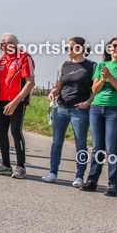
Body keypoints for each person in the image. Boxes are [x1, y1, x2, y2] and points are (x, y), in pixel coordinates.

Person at [82, 37, 117, 196]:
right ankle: (92, 181)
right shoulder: (101, 66)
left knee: (112, 149)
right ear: (108, 49)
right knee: (97, 147)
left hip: (116, 110)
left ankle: (114, 185)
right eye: (113, 46)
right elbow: (95, 90)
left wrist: (110, 77)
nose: (116, 48)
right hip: (97, 108)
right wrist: (103, 79)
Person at [43, 38, 94, 186]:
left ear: (82, 48)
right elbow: (58, 86)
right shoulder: (63, 65)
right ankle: (53, 173)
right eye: (67, 48)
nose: (68, 50)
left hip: (80, 110)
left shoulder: (92, 66)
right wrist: (53, 93)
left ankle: (79, 176)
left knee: (81, 144)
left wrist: (88, 102)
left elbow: (96, 89)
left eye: (71, 47)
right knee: (57, 142)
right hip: (61, 108)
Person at [0, 33, 35, 179]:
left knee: (15, 131)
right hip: (2, 101)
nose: (0, 47)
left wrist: (15, 102)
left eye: (2, 44)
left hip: (17, 102)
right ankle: (6, 165)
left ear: (11, 45)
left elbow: (30, 82)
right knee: (1, 131)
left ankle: (21, 167)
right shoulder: (2, 60)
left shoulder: (24, 58)